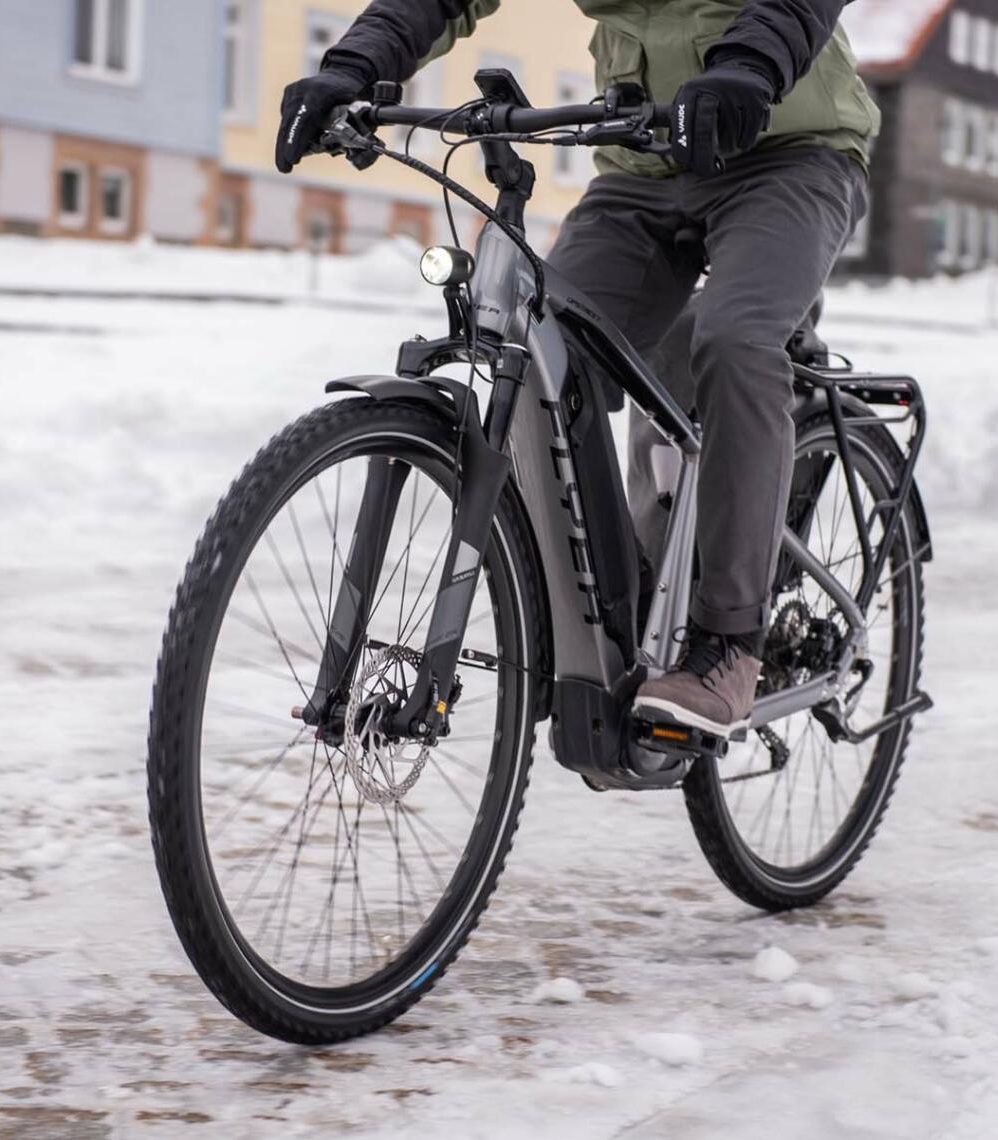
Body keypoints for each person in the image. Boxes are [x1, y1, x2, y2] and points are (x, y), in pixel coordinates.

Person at [275, 0, 878, 738]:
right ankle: (620, 614)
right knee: (544, 352)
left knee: (732, 339)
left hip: (790, 147)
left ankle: (728, 643)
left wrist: (748, 68)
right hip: (644, 160)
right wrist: (351, 69)